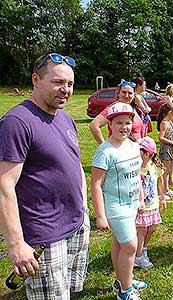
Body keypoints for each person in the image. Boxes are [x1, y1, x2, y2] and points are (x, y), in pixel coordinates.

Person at [0, 53, 90, 299]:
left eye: (70, 84)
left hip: (76, 222)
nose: (66, 90)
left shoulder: (66, 118)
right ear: (36, 79)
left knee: (69, 290)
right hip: (45, 232)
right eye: (58, 82)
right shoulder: (17, 122)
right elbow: (3, 186)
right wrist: (17, 244)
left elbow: (75, 163)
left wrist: (83, 208)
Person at [91, 102, 146, 300]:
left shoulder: (133, 145)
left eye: (128, 123)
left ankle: (124, 279)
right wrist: (100, 216)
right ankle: (125, 291)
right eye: (119, 123)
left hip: (131, 204)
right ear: (110, 125)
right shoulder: (105, 152)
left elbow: (136, 174)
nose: (124, 127)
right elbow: (96, 185)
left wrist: (140, 198)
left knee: (119, 244)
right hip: (115, 207)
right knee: (130, 246)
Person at [134, 137, 167, 269]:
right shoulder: (135, 168)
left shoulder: (154, 167)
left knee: (151, 229)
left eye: (139, 152)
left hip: (153, 205)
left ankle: (144, 249)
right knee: (142, 230)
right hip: (141, 207)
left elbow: (160, 182)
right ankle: (138, 257)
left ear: (147, 153)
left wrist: (163, 197)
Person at [157, 102, 173, 197]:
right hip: (166, 149)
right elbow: (161, 138)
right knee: (166, 171)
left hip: (171, 149)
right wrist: (172, 143)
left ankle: (166, 189)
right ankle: (163, 190)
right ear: (169, 112)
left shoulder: (170, 122)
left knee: (170, 170)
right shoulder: (164, 123)